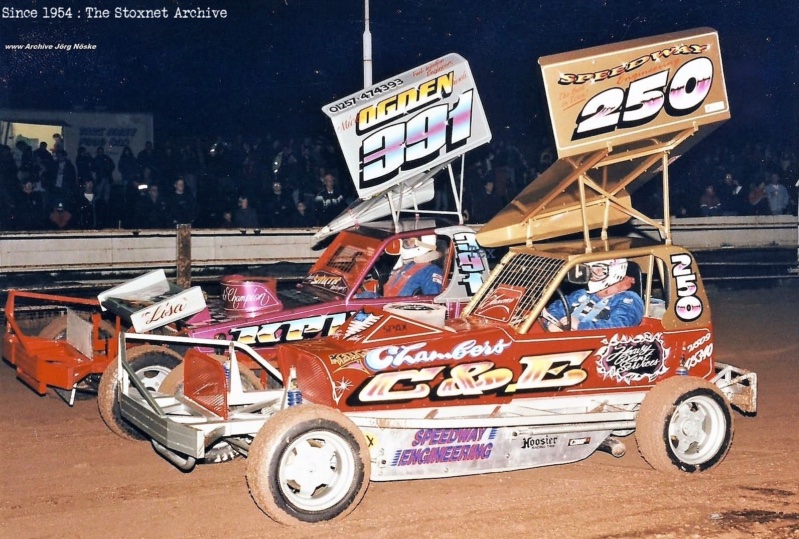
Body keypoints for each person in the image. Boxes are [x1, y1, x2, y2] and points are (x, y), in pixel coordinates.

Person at [543, 258, 644, 332]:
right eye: (589, 270)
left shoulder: (628, 299)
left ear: (615, 271)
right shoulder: (582, 294)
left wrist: (580, 326)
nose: (591, 275)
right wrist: (553, 322)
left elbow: (621, 325)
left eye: (597, 270)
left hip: (598, 348)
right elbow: (557, 307)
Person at [360, 235, 443, 298]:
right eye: (406, 241)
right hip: (387, 306)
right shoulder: (405, 266)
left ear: (421, 245)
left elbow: (432, 300)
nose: (405, 244)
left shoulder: (431, 270)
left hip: (400, 313)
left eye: (410, 242)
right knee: (363, 295)